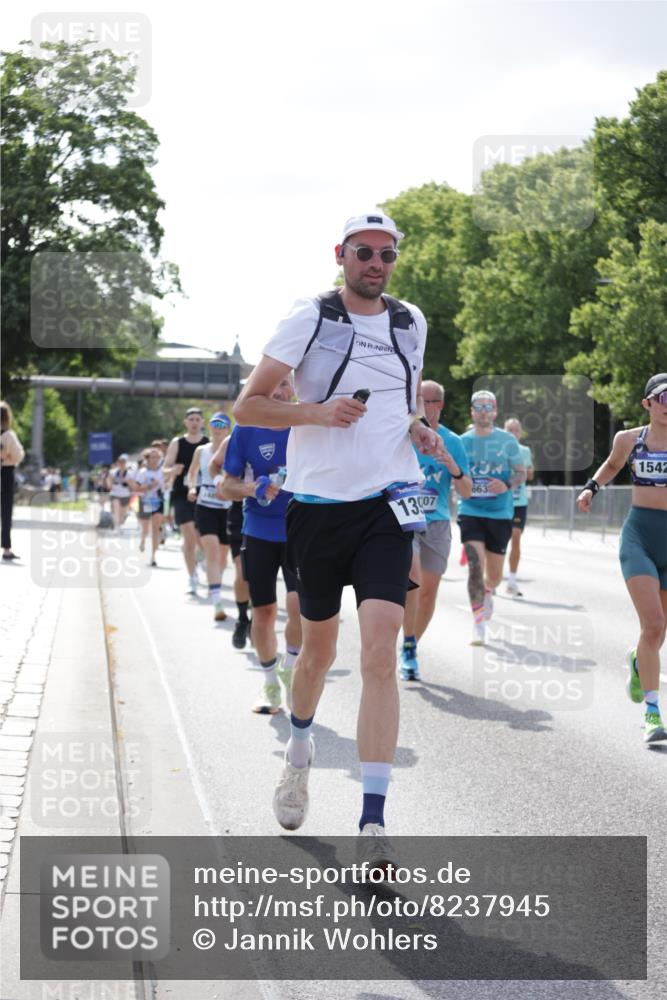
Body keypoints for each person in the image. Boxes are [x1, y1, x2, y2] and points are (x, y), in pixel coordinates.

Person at [233, 210, 446, 858]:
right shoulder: (312, 316)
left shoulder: (411, 323)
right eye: (363, 252)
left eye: (385, 254)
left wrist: (415, 429)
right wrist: (316, 413)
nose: (374, 263)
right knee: (317, 653)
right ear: (341, 254)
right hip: (317, 508)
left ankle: (372, 822)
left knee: (380, 651)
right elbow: (249, 404)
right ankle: (299, 750)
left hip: (389, 504)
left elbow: (398, 400)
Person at [576, 373, 667, 745]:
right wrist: (590, 488)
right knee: (653, 624)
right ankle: (652, 713)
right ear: (647, 403)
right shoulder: (629, 440)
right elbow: (612, 465)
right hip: (640, 538)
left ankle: (637, 662)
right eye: (663, 398)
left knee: (658, 632)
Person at [217, 378, 302, 713]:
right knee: (264, 612)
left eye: (286, 384)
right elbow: (226, 486)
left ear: (294, 389)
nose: (280, 392)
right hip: (260, 531)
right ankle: (269, 684)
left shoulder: (306, 424)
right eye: (273, 385)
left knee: (299, 609)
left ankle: (292, 672)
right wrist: (253, 489)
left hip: (302, 530)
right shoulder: (245, 429)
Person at [399, 381, 472, 680]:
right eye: (417, 402)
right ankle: (406, 643)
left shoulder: (453, 441)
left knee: (428, 593)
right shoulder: (404, 435)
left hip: (438, 521)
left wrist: (453, 467)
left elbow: (466, 491)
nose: (420, 408)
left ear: (438, 405)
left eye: (426, 402)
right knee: (413, 578)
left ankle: (411, 646)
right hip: (406, 518)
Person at [457, 391, 525, 645]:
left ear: (495, 412)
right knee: (475, 566)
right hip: (470, 511)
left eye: (489, 407)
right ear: (472, 412)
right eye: (479, 407)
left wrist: (507, 483)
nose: (484, 411)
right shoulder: (462, 441)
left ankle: (488, 591)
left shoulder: (507, 441)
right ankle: (478, 624)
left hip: (500, 513)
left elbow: (520, 472)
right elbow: (455, 472)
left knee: (494, 575)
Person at [187, 413, 232, 622]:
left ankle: (215, 580)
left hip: (228, 508)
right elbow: (192, 472)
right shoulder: (201, 450)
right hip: (205, 505)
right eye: (214, 424)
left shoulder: (233, 448)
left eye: (222, 425)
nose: (218, 428)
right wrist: (192, 487)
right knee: (212, 550)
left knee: (223, 557)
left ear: (228, 429)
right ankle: (217, 602)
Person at [163, 408, 209, 593]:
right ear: (185, 422)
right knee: (189, 536)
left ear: (203, 422)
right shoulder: (178, 442)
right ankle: (192, 577)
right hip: (181, 496)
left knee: (201, 539)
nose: (194, 422)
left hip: (204, 496)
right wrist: (173, 470)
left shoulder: (208, 443)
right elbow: (164, 469)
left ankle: (201, 560)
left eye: (198, 419)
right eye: (191, 419)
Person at [503, 418, 535, 597]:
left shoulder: (525, 451)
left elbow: (530, 474)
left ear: (520, 433)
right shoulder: (499, 451)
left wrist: (526, 470)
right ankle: (489, 579)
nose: (513, 433)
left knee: (515, 538)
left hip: (519, 502)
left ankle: (512, 582)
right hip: (501, 502)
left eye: (516, 430)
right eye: (510, 430)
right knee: (498, 542)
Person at [130, 448, 164, 566]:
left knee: (155, 528)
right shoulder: (143, 472)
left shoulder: (163, 471)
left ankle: (153, 557)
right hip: (145, 501)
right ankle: (143, 540)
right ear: (147, 459)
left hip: (159, 502)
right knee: (145, 528)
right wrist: (150, 486)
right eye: (152, 458)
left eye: (157, 458)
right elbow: (136, 488)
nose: (155, 460)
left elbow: (167, 485)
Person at [1, 400, 25, 561]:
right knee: (6, 511)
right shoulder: (8, 435)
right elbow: (17, 456)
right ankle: (6, 549)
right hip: (5, 472)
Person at [106, 454, 133, 532]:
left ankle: (119, 525)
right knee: (116, 509)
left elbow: (132, 485)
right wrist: (110, 484)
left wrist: (127, 481)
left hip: (125, 494)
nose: (122, 464)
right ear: (118, 463)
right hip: (115, 494)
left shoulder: (129, 473)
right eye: (120, 462)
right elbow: (109, 481)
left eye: (123, 462)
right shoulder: (113, 472)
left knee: (122, 513)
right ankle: (116, 526)